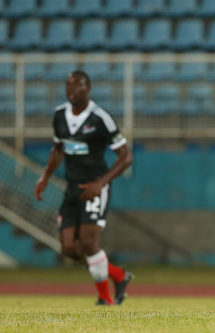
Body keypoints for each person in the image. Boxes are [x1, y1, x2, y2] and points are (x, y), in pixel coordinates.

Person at [34, 71, 134, 306]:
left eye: (77, 86)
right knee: (69, 248)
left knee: (89, 243)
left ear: (87, 89)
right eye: (68, 85)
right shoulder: (60, 115)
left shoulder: (100, 118)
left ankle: (105, 298)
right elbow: (58, 149)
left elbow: (126, 156)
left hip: (95, 187)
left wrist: (101, 182)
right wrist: (45, 177)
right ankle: (119, 275)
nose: (72, 90)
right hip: (71, 187)